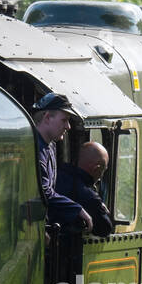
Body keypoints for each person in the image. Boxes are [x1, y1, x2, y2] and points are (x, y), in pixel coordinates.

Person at [31, 92, 92, 232]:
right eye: (64, 120)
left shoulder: (50, 145)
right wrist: (77, 210)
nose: (68, 126)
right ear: (47, 117)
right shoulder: (34, 148)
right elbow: (43, 192)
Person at [53, 141, 114, 237]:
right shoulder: (89, 196)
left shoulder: (55, 173)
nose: (101, 176)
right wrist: (100, 206)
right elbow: (105, 228)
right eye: (103, 170)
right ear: (96, 169)